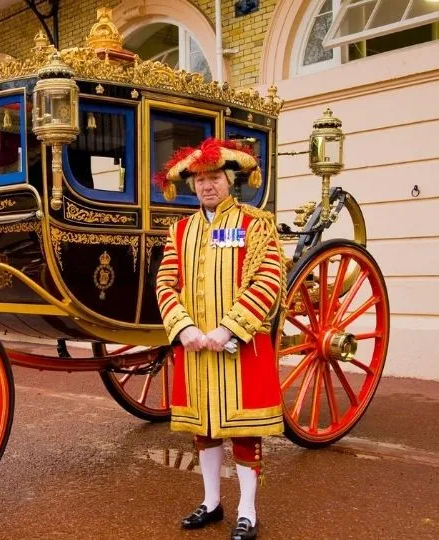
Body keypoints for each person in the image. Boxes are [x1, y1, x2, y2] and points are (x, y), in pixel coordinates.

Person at [153, 138, 286, 540]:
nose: (207, 185)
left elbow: (268, 279)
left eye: (214, 178)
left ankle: (247, 510)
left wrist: (228, 328)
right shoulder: (179, 231)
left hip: (239, 345)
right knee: (205, 429)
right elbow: (165, 283)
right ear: (192, 185)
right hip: (196, 347)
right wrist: (185, 328)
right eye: (200, 179)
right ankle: (211, 502)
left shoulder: (255, 225)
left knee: (245, 432)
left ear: (230, 181)